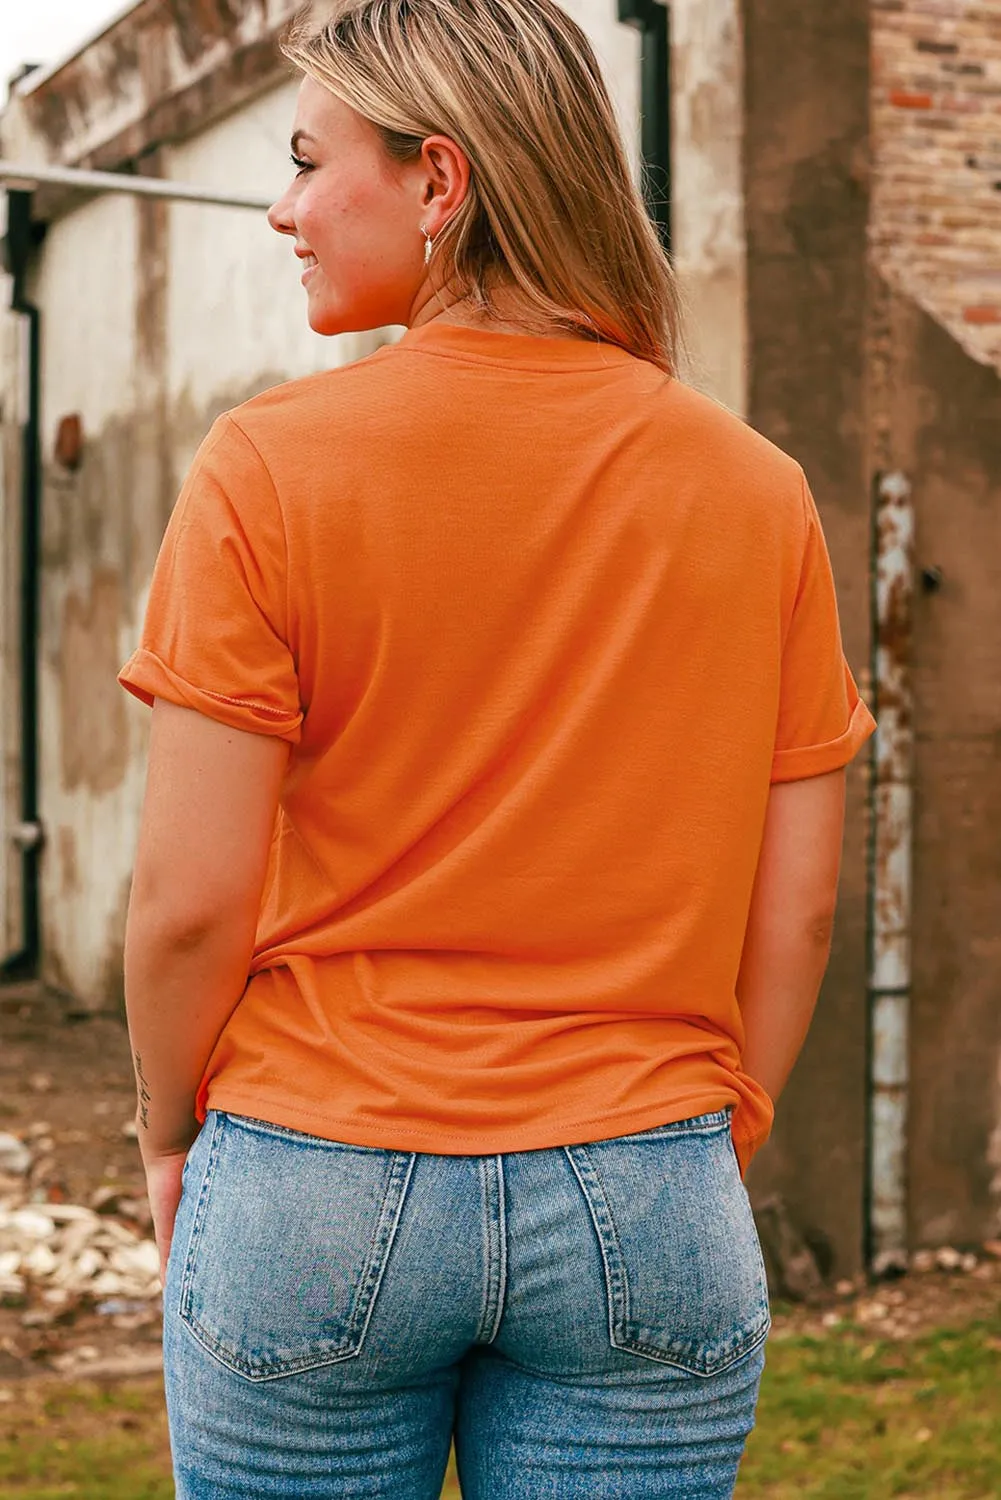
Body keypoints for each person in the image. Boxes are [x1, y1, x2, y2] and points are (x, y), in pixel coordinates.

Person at [118, 0, 876, 1495]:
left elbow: (189, 903)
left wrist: (165, 1131)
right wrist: (711, 1138)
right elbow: (794, 907)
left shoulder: (269, 468)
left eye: (307, 158)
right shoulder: (756, 490)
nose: (282, 207)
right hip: (647, 1171)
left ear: (439, 182)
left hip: (312, 1175)